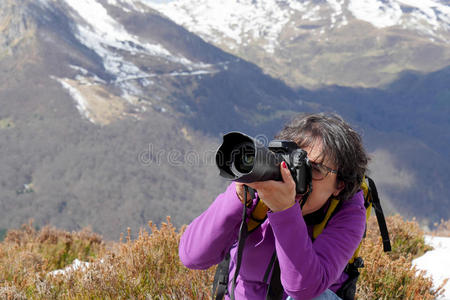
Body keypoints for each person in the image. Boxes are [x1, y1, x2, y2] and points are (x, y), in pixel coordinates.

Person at [179, 113, 369, 300]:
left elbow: (304, 290)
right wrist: (237, 198)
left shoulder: (348, 212)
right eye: (295, 163)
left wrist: (285, 211)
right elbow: (192, 257)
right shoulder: (260, 189)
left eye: (315, 169)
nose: (298, 175)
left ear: (340, 184)